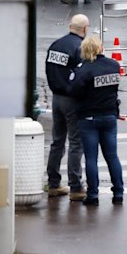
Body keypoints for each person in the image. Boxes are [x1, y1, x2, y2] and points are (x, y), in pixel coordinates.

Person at [68, 34, 124, 206]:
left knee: (91, 158)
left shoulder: (84, 69)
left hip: (89, 118)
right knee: (112, 156)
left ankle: (93, 195)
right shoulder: (113, 65)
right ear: (100, 48)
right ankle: (118, 192)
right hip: (109, 116)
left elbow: (74, 91)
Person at [45, 14, 91, 201]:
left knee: (57, 141)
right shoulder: (79, 48)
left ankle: (53, 183)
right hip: (72, 99)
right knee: (75, 142)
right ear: (85, 29)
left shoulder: (56, 45)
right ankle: (76, 186)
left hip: (56, 97)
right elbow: (82, 76)